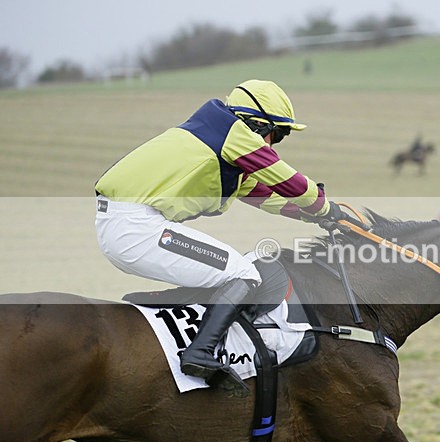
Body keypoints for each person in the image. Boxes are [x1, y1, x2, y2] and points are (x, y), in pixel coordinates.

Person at [95, 79, 352, 395]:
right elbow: (288, 181)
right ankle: (199, 353)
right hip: (136, 227)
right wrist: (324, 206)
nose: (274, 143)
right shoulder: (234, 133)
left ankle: (172, 309)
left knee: (230, 269)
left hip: (131, 224)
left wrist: (312, 215)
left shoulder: (220, 140)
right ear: (256, 125)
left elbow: (264, 196)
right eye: (278, 134)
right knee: (244, 272)